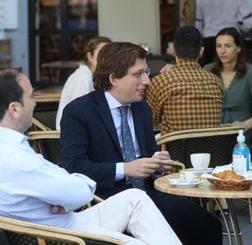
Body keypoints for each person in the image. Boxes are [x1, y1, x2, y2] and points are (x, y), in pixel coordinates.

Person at [60, 42, 222, 245]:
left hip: (149, 192)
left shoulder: (142, 108)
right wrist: (126, 169)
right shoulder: (80, 111)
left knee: (208, 224)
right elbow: (73, 167)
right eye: (138, 74)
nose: (147, 80)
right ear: (113, 78)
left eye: (146, 72)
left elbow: (149, 154)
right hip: (106, 200)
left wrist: (157, 164)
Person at [0, 68, 181, 245]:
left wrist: (63, 196)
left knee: (135, 198)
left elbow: (61, 188)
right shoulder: (17, 159)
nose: (35, 103)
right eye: (31, 96)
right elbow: (79, 194)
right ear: (15, 109)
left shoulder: (9, 149)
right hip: (66, 237)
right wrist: (70, 193)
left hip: (59, 225)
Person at [146, 26, 223, 135]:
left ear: (173, 51)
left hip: (174, 151)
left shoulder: (161, 81)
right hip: (212, 150)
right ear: (201, 52)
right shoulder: (216, 81)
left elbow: (151, 121)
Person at [203, 27, 252, 151]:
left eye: (228, 46)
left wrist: (246, 124)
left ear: (238, 48)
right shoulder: (207, 70)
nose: (222, 51)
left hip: (241, 133)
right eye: (219, 46)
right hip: (213, 131)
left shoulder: (250, 72)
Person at [195, 0, 252, 65]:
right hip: (231, 39)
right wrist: (239, 28)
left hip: (209, 40)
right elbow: (250, 23)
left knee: (209, 73)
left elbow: (198, 23)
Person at [56, 36, 111, 130]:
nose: (107, 58)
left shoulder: (91, 76)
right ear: (89, 56)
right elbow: (79, 115)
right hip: (74, 135)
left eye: (110, 54)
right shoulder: (84, 78)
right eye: (102, 54)